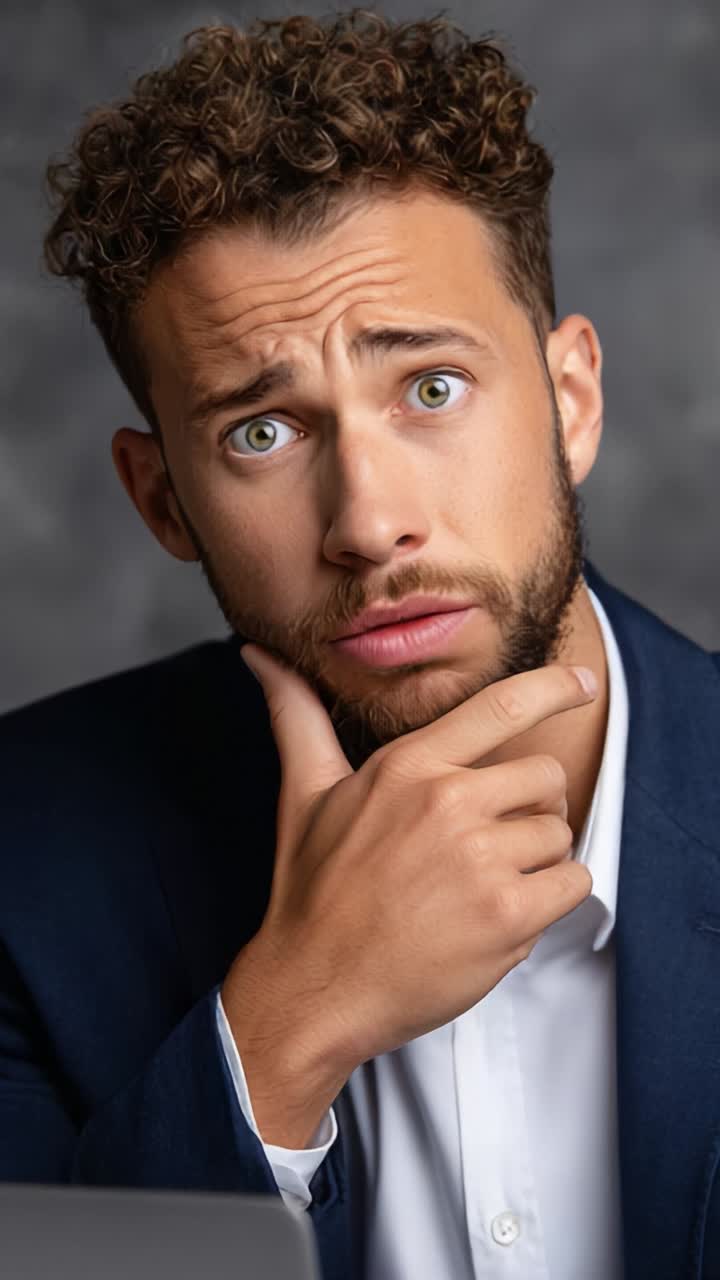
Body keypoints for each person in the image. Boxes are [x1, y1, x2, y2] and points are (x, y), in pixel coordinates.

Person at [1, 9, 718, 1280]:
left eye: (430, 387)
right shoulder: (22, 862)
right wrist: (283, 1029)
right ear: (162, 499)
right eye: (262, 433)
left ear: (571, 402)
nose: (370, 524)